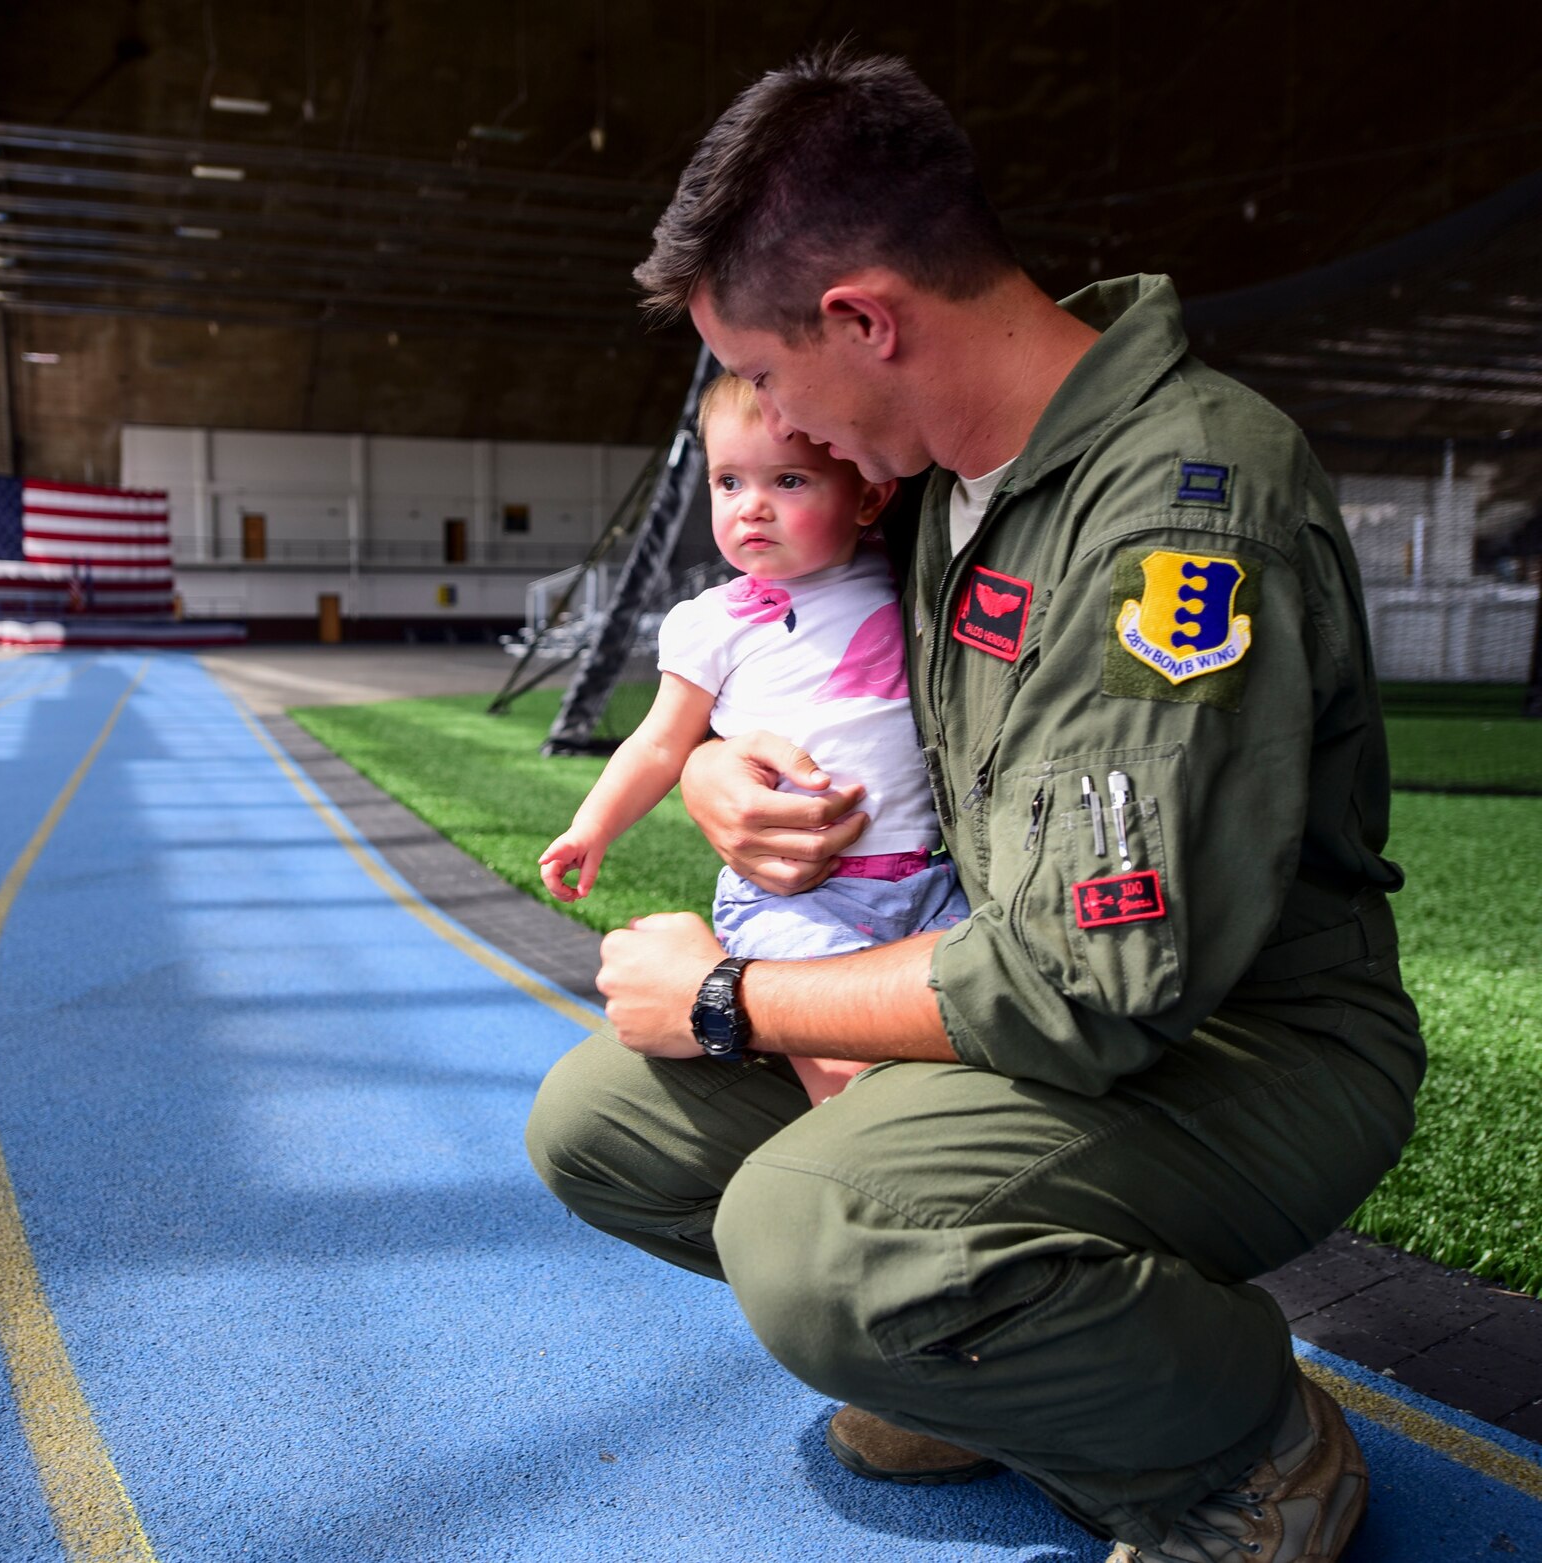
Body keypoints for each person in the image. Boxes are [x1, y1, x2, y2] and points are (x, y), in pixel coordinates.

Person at [524, 47, 1422, 1563]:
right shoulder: (950, 480)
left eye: (775, 380)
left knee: (816, 1235)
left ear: (867, 319)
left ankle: (1242, 1448)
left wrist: (744, 994)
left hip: (1239, 1043)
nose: (777, 436)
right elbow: (849, 709)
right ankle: (1019, 1365)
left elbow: (1096, 983)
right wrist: (720, 772)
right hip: (1031, 987)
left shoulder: (1176, 514)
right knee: (603, 1124)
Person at [538, 373, 968, 1105]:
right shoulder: (714, 622)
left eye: (789, 480)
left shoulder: (899, 571)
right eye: (728, 482)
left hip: (927, 879)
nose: (752, 507)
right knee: (847, 1083)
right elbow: (658, 744)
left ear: (867, 497)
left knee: (957, 1040)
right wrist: (591, 826)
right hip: (800, 896)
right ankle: (842, 1166)